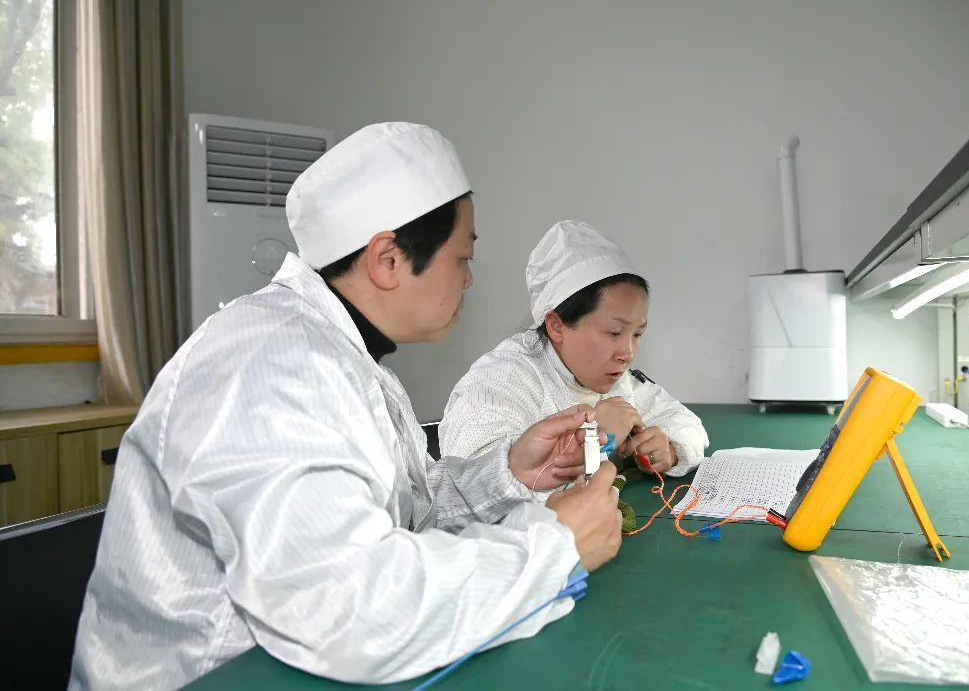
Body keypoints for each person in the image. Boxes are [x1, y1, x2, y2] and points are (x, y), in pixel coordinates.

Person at [68, 124, 623, 690]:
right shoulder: (274, 367)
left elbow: (398, 513)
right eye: (462, 257)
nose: (469, 278)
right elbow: (350, 611)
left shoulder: (342, 356)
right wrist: (553, 550)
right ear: (387, 259)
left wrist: (508, 473)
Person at [441, 220, 707, 489]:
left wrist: (670, 449)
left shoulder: (614, 379)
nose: (627, 353)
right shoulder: (499, 382)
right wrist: (596, 438)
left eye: (637, 334)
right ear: (557, 326)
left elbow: (684, 422)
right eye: (614, 332)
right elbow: (471, 488)